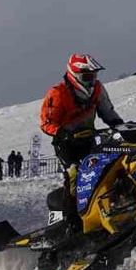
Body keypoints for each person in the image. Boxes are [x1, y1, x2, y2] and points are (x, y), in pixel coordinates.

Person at [39, 53, 125, 234]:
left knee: (110, 166)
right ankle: (70, 222)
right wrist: (62, 133)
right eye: (87, 76)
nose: (91, 80)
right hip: (66, 144)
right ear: (75, 75)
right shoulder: (58, 92)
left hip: (90, 139)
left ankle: (116, 205)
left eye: (94, 76)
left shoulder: (98, 89)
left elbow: (107, 112)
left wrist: (120, 126)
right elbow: (46, 123)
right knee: (74, 175)